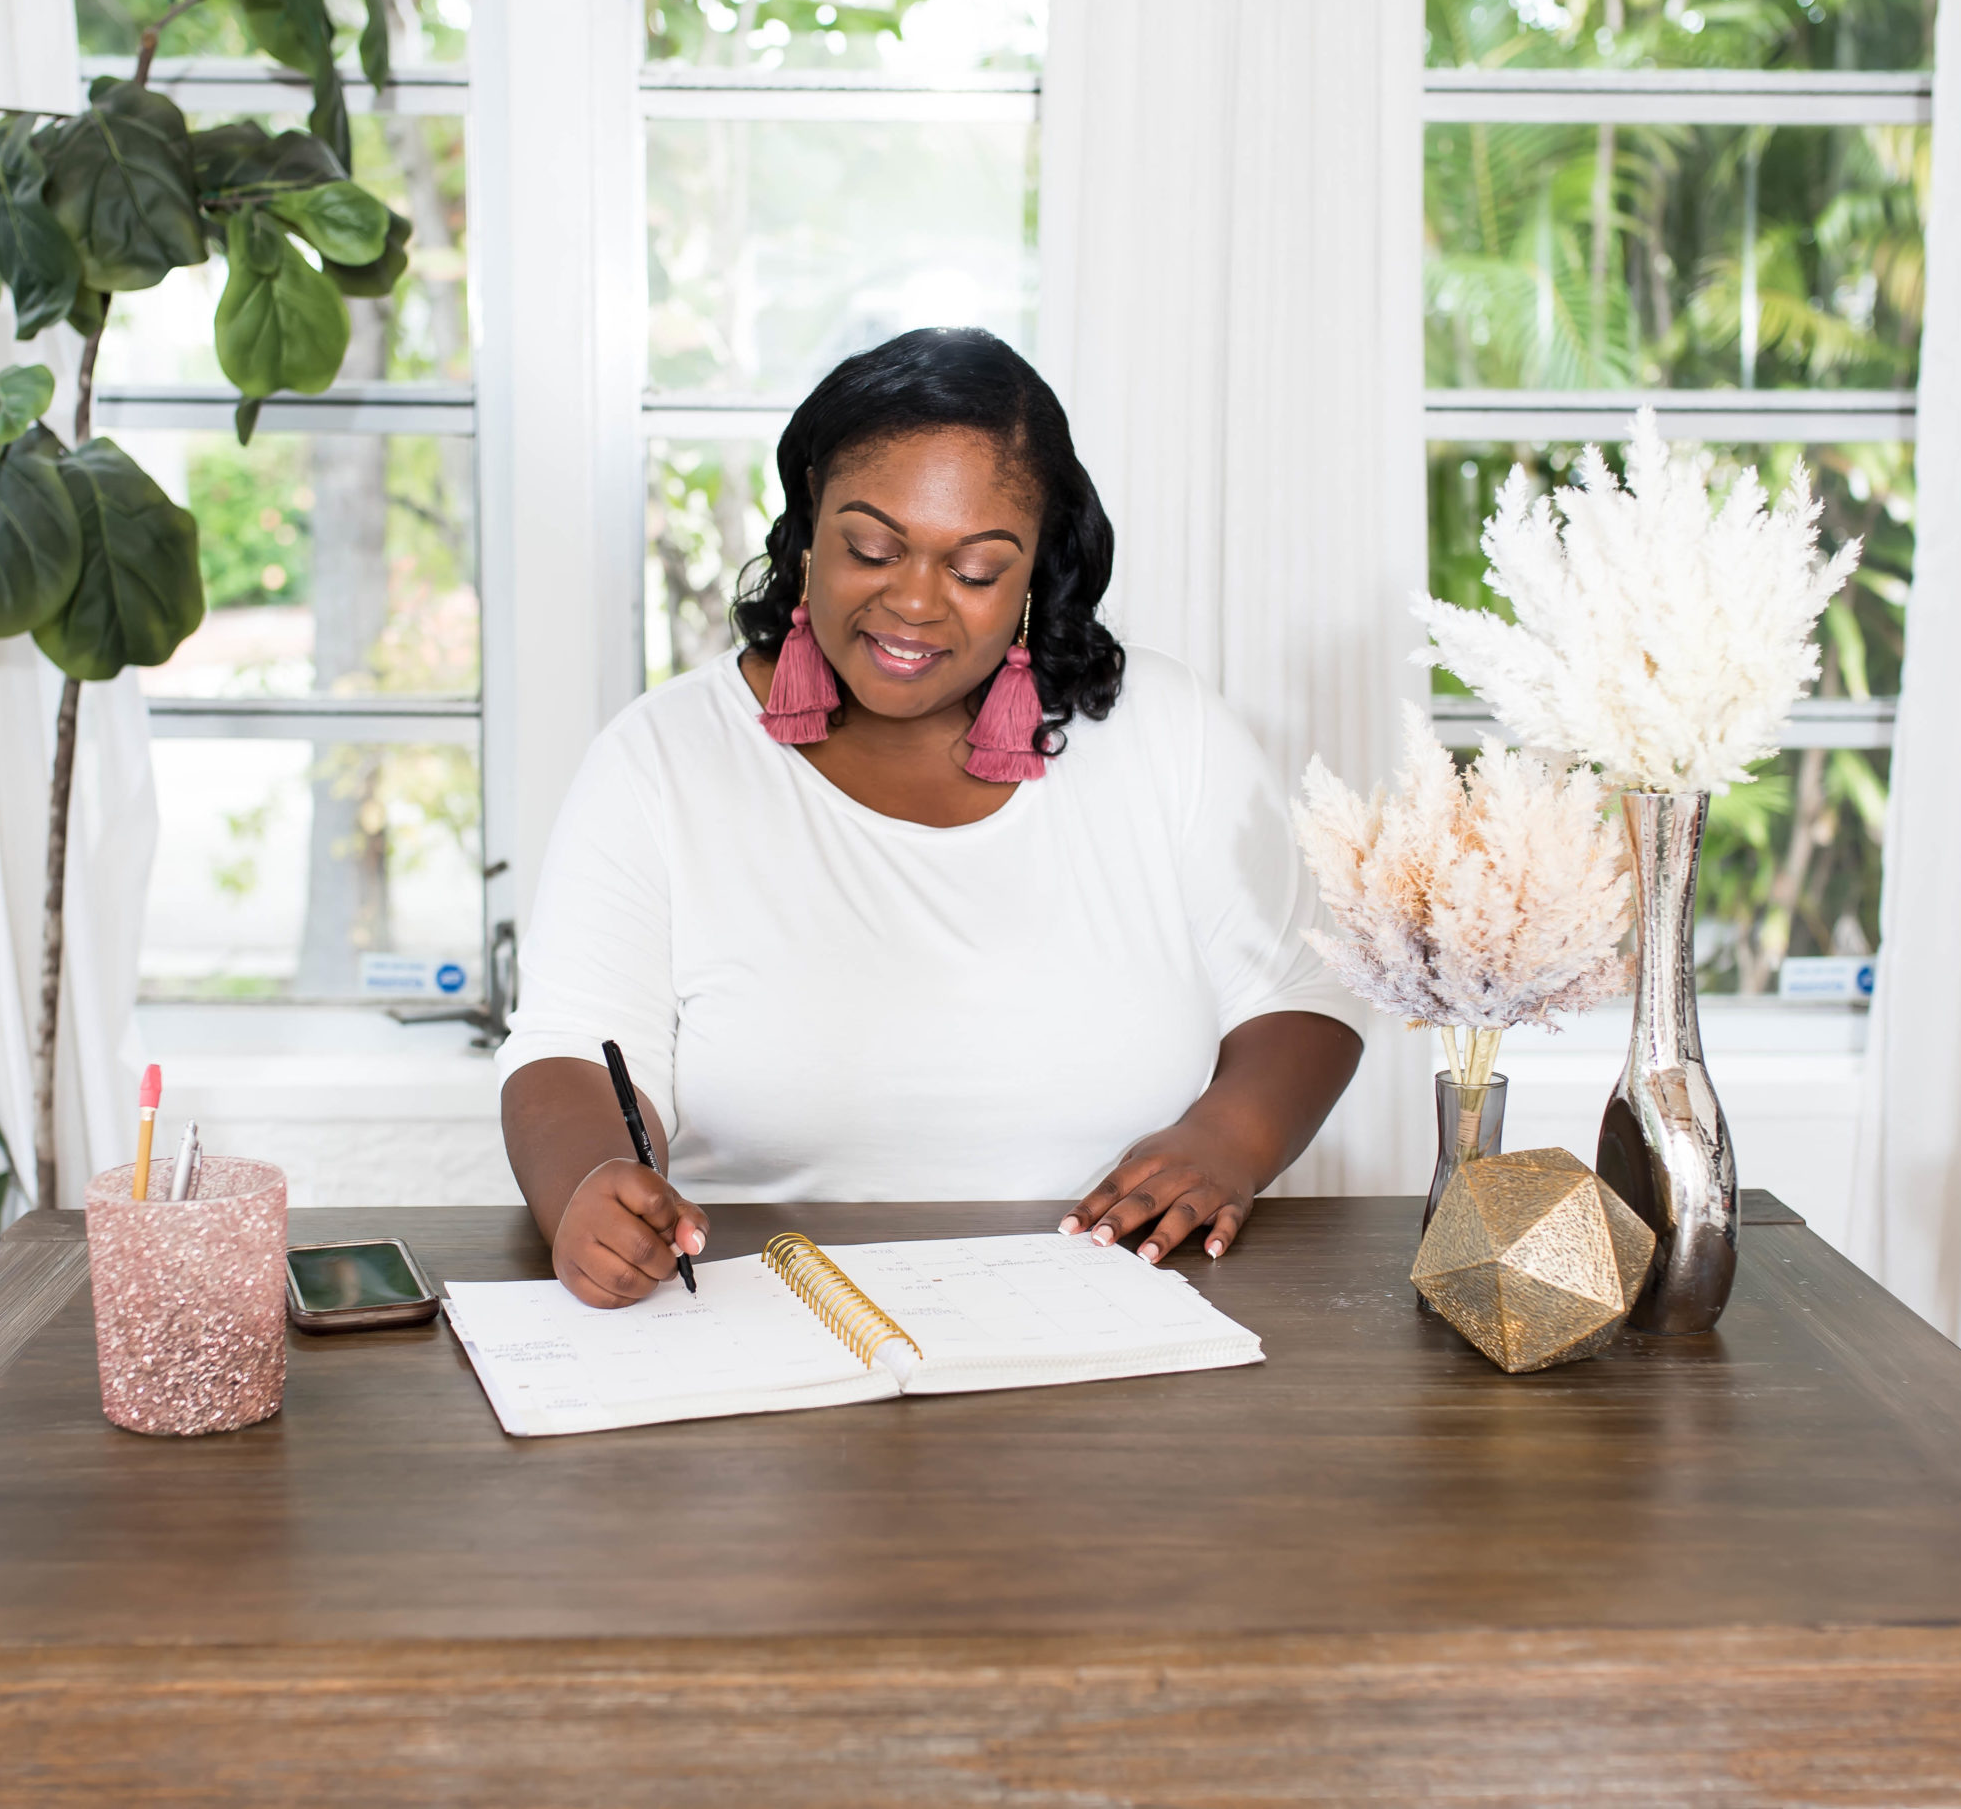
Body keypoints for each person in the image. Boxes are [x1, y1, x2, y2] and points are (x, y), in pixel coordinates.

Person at [496, 328, 1364, 1307]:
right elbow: (570, 1048)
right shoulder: (660, 759)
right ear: (809, 518)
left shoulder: (1169, 732)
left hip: (1118, 1324)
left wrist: (1227, 1141)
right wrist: (584, 1190)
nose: (911, 602)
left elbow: (1304, 991)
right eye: (871, 546)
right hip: (772, 1324)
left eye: (976, 569)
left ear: (1037, 568)